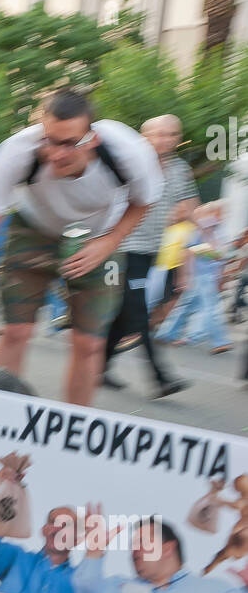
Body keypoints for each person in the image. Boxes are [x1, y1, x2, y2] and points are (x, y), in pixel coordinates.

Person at [0, 89, 162, 406]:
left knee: (89, 344)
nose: (56, 154)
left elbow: (144, 202)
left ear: (93, 138)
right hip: (34, 229)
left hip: (97, 238)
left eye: (70, 143)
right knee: (16, 332)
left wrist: (109, 242)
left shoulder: (129, 151)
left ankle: (73, 431)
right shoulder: (17, 151)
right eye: (50, 140)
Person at [102, 115, 198, 398]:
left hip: (154, 251)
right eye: (158, 134)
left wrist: (186, 260)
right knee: (139, 311)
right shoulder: (129, 163)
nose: (165, 139)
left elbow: (189, 207)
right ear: (144, 136)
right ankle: (160, 378)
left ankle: (99, 366)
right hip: (124, 247)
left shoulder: (180, 169)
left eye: (171, 134)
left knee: (126, 315)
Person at [73, 517, 248, 593]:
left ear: (167, 549)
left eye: (142, 543)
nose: (134, 551)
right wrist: (94, 552)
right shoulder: (120, 586)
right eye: (133, 546)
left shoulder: (214, 591)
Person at [156, 202, 232, 353]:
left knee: (186, 306)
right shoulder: (207, 226)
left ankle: (167, 333)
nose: (224, 214)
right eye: (221, 211)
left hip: (203, 275)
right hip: (203, 275)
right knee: (210, 308)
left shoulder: (213, 227)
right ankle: (220, 341)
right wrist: (185, 276)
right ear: (214, 212)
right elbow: (190, 251)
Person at [0, 506, 80, 593]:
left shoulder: (79, 583)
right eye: (54, 522)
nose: (58, 529)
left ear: (76, 540)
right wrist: (6, 510)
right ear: (44, 530)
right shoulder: (17, 558)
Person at [146, 198, 196, 325]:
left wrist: (183, 276)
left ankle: (162, 325)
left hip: (175, 267)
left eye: (183, 210)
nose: (179, 212)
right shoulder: (170, 227)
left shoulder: (189, 228)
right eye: (178, 209)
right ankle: (152, 323)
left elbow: (186, 251)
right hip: (161, 266)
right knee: (156, 298)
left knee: (169, 300)